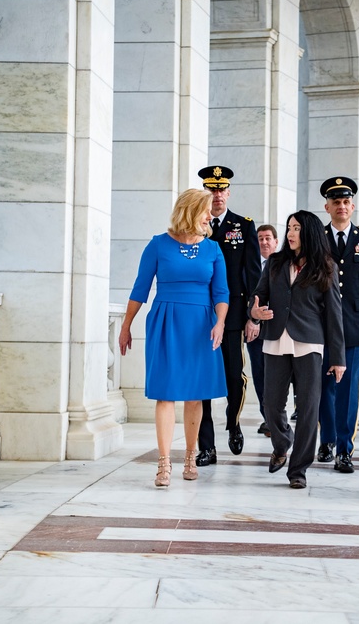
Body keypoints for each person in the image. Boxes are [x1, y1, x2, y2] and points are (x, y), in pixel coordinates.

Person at [118, 189, 228, 487]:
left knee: (195, 394)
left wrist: (220, 322)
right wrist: (127, 325)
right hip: (166, 322)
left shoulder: (213, 249)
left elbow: (221, 292)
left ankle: (191, 457)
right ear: (191, 211)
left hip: (202, 325)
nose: (210, 215)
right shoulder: (158, 245)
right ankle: (164, 463)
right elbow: (140, 288)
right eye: (206, 210)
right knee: (165, 393)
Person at [249, 210, 345, 489]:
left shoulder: (326, 267)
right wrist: (254, 312)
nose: (290, 234)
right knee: (272, 403)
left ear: (309, 233)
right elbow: (259, 296)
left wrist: (337, 358)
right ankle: (282, 442)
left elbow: (334, 314)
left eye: (296, 228)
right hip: (275, 340)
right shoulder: (275, 263)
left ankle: (298, 469)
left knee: (308, 408)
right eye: (289, 228)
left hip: (309, 344)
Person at [316, 177, 359, 472]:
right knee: (323, 387)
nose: (341, 207)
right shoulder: (316, 237)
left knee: (349, 388)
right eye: (336, 202)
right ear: (326, 207)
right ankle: (327, 441)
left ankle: (345, 448)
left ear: (352, 206)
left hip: (356, 325)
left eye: (346, 202)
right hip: (319, 324)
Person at [196, 166, 261, 466]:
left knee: (235, 377)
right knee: (202, 381)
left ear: (228, 192)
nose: (217, 195)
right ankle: (206, 446)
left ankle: (233, 423)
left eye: (221, 189)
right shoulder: (195, 225)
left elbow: (252, 274)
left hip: (234, 316)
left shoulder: (243, 225)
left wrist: (253, 316)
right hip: (200, 316)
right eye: (212, 189)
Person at [244, 224, 279, 437]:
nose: (264, 242)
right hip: (255, 330)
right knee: (259, 374)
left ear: (276, 241)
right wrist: (251, 319)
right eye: (260, 238)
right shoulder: (249, 265)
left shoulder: (285, 264)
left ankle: (278, 416)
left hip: (279, 328)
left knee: (279, 375)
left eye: (268, 238)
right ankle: (267, 418)